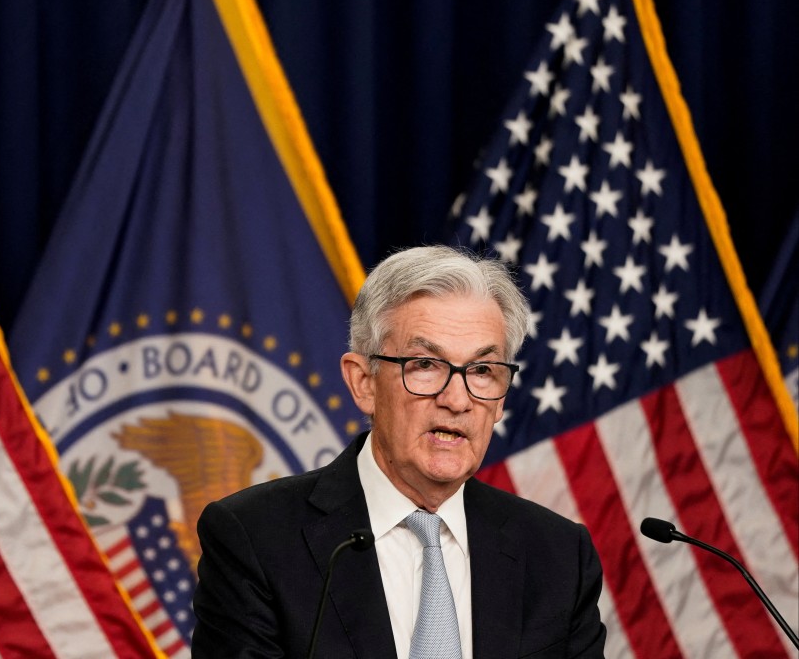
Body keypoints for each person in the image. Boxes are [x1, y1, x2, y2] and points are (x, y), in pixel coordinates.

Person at [192, 245, 607, 657]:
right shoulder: (255, 539)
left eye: (482, 371)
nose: (457, 400)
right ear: (363, 383)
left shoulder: (557, 555)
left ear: (500, 398)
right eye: (426, 365)